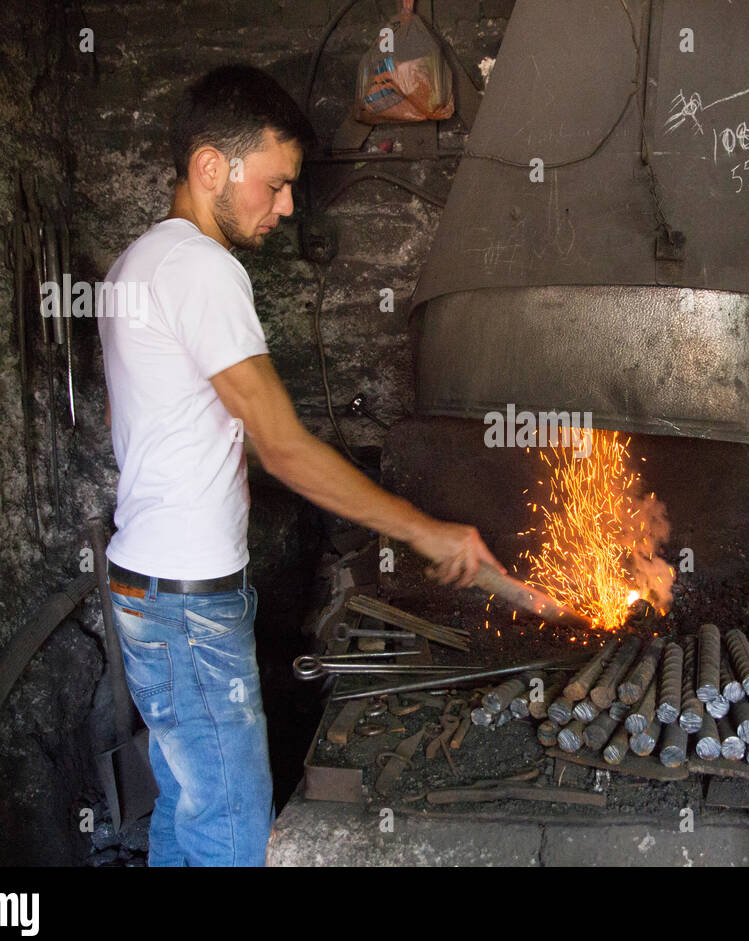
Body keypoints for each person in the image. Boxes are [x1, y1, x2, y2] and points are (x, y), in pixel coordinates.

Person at [97, 64, 503, 866]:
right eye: (277, 184)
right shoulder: (204, 271)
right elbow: (279, 444)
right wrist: (424, 532)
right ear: (212, 166)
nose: (286, 206)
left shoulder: (134, 266)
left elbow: (151, 423)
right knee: (233, 833)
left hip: (143, 586)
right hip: (189, 605)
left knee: (184, 805)